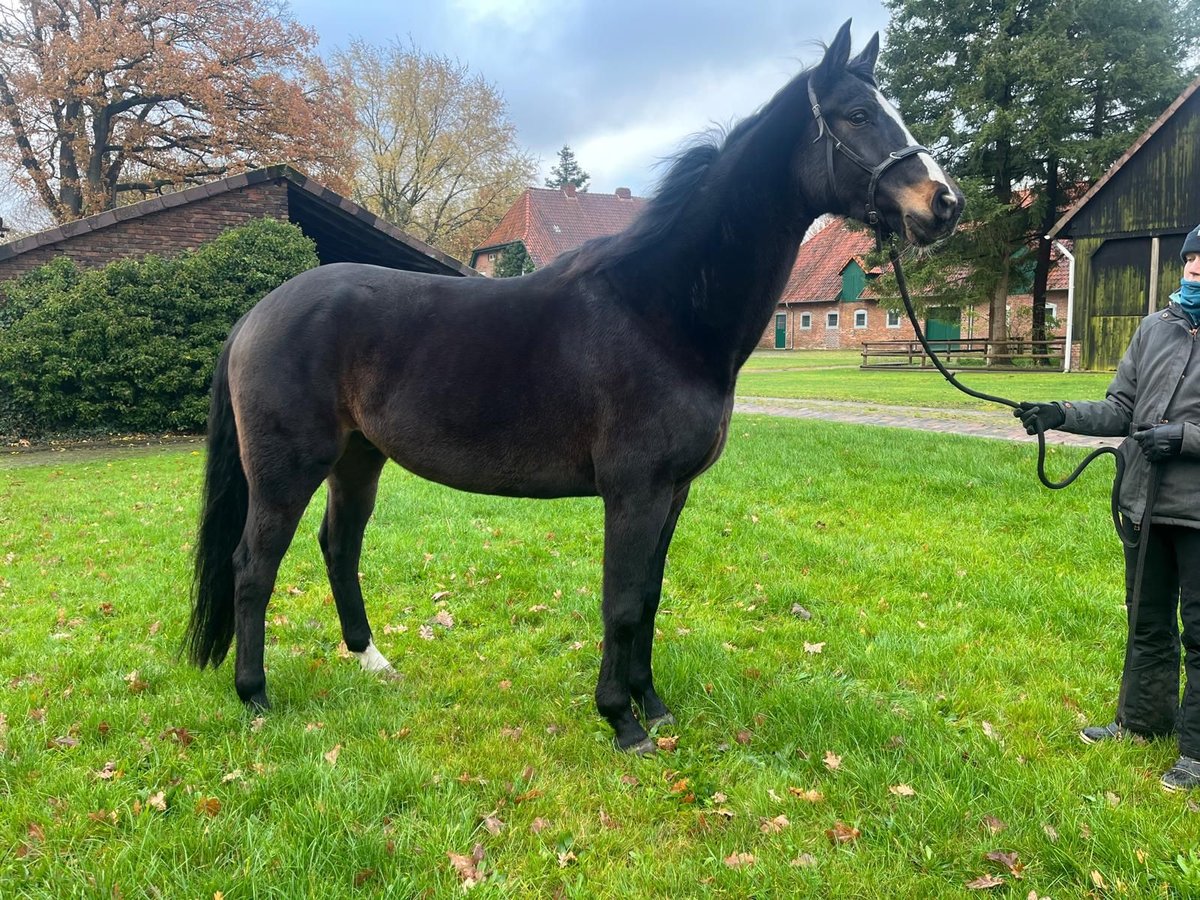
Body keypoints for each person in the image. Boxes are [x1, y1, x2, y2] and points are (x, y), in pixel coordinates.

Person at [1014, 224, 1200, 793]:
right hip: (1145, 502)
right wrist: (1059, 413)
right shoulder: (1155, 329)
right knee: (1146, 623)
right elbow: (1121, 407)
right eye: (1192, 261)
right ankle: (1143, 722)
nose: (1195, 271)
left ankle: (1195, 752)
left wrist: (1185, 439)